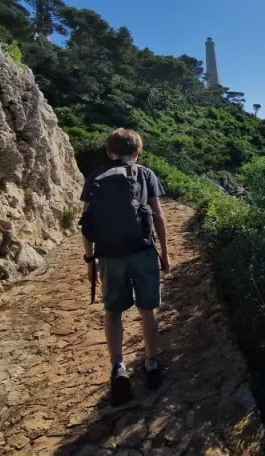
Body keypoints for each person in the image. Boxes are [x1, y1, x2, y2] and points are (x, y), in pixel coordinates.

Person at [80, 128, 170, 405]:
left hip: (109, 255)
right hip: (142, 252)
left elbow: (86, 223)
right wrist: (165, 254)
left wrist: (89, 259)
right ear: (137, 151)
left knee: (114, 312)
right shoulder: (146, 174)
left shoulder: (95, 177)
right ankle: (151, 364)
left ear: (109, 152)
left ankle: (118, 366)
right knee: (148, 310)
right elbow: (158, 216)